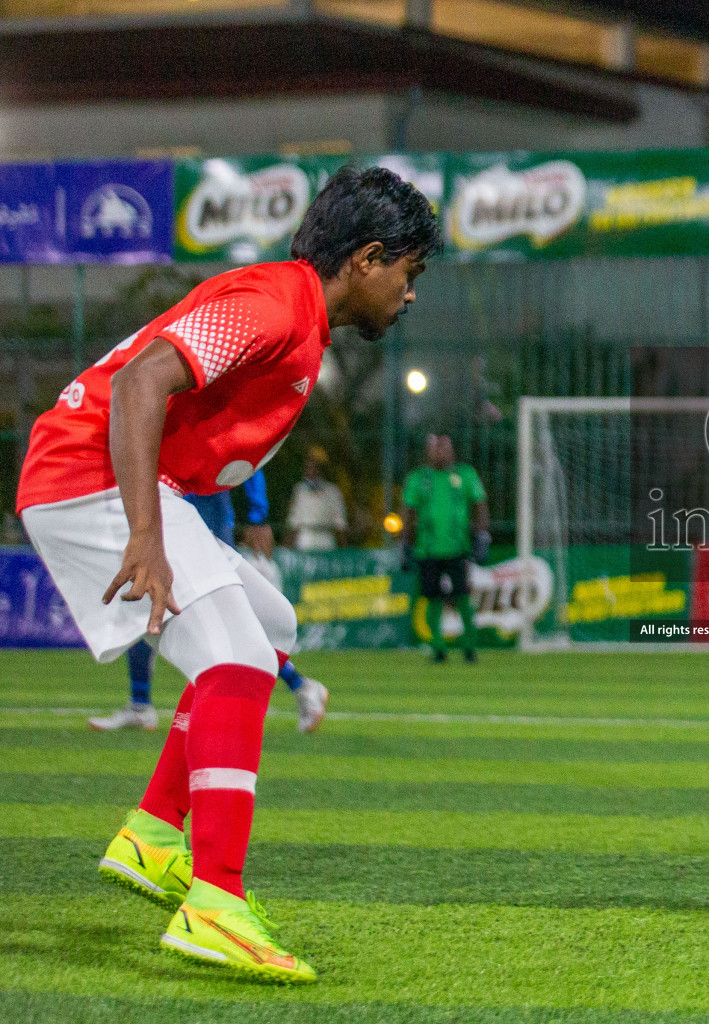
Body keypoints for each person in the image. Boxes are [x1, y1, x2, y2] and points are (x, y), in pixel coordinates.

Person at [17, 165, 438, 982]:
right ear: (368, 258)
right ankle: (215, 900)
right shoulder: (276, 304)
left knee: (270, 629)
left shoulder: (299, 317)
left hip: (116, 478)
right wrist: (146, 531)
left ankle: (153, 834)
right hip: (86, 477)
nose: (409, 293)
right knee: (236, 659)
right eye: (408, 273)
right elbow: (145, 380)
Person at [89, 469, 330, 734]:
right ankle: (140, 704)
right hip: (164, 508)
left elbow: (240, 446)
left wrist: (258, 514)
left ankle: (300, 686)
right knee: (144, 597)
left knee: (229, 618)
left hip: (203, 512)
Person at [401, 434, 490, 664]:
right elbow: (408, 512)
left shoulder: (465, 474)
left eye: (445, 448)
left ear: (452, 451)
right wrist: (405, 543)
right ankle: (438, 647)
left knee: (462, 596)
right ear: (429, 452)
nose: (440, 453)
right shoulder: (418, 478)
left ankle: (469, 646)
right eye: (436, 449)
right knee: (432, 598)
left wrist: (482, 534)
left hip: (458, 548)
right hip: (427, 549)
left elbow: (479, 504)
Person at [287, 447, 347, 551]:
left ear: (320, 469)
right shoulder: (299, 490)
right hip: (304, 543)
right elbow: (293, 522)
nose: (309, 471)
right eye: (307, 467)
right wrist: (288, 546)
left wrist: (343, 550)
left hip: (326, 544)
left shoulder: (333, 491)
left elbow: (340, 524)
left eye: (314, 467)